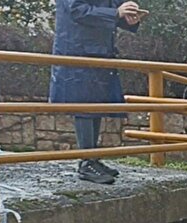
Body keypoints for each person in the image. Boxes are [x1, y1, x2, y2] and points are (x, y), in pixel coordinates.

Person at [50, 1, 148, 185]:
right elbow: (77, 10)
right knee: (85, 106)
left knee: (96, 105)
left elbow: (111, 10)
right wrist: (116, 13)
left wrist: (128, 18)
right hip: (77, 50)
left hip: (99, 51)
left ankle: (92, 158)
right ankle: (87, 161)